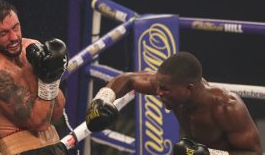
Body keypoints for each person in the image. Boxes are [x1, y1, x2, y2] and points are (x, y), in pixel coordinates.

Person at [85, 51, 262, 155]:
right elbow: (128, 79)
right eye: (159, 87)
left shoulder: (226, 107)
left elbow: (254, 153)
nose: (158, 92)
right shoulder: (169, 86)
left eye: (165, 89)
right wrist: (102, 99)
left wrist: (210, 154)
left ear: (189, 88)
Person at [0, 0, 69, 155]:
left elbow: (57, 112)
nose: (14, 37)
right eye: (4, 33)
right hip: (21, 150)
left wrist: (54, 73)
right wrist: (47, 81)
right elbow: (39, 124)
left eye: (16, 27)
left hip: (53, 142)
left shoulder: (31, 48)